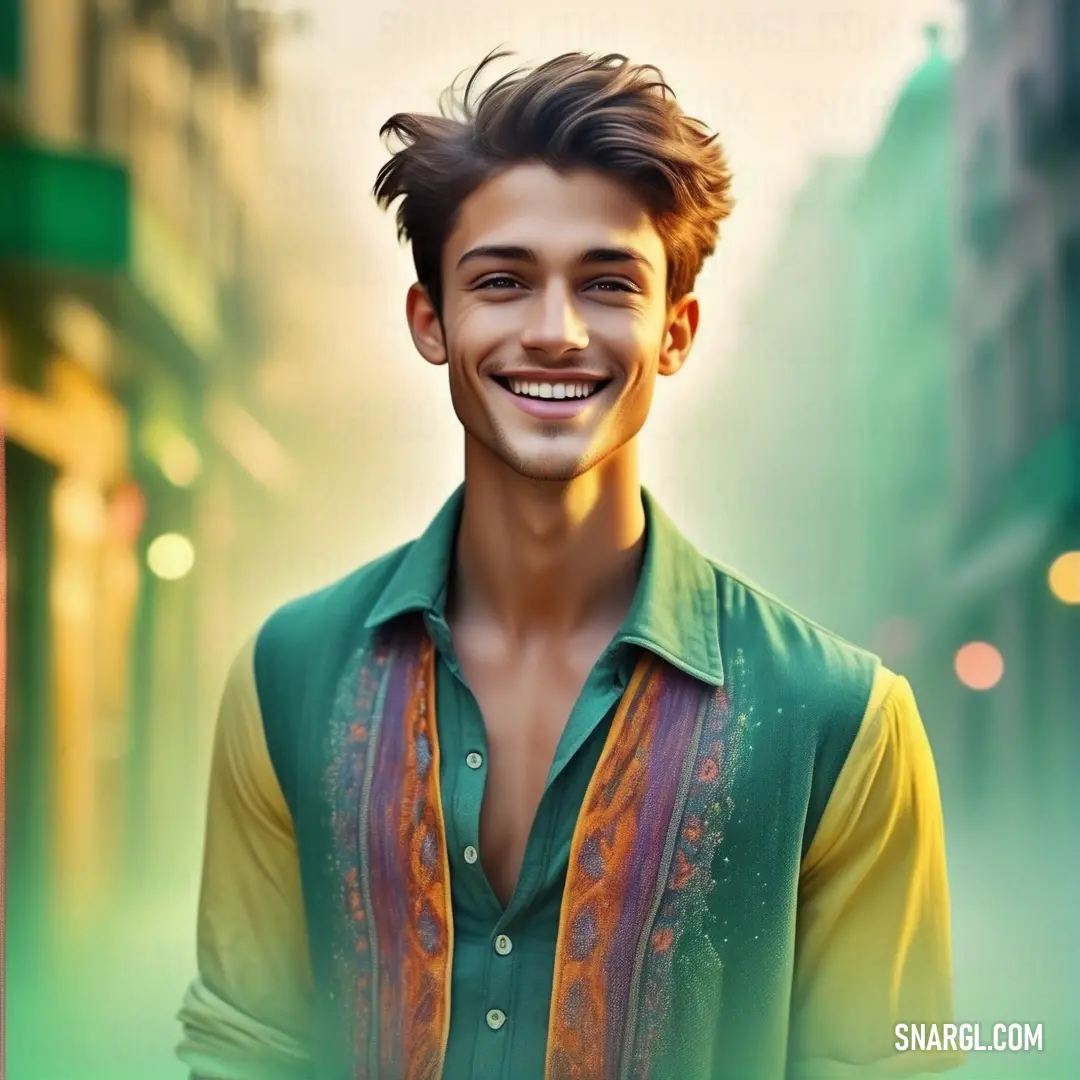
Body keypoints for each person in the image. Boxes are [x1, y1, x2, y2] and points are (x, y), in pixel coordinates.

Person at [177, 50, 963, 1080]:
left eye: (607, 284)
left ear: (674, 331)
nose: (554, 333)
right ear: (432, 321)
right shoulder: (288, 676)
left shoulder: (844, 721)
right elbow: (246, 1049)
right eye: (502, 282)